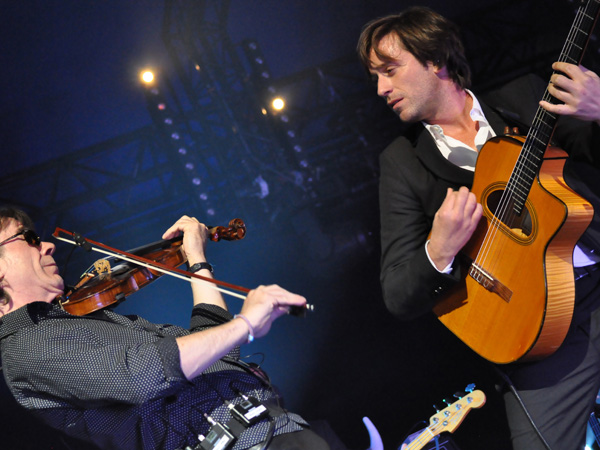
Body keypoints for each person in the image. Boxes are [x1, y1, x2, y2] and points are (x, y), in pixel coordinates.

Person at [357, 6, 600, 450]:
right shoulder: (403, 163)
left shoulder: (527, 98)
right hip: (536, 332)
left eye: (390, 70)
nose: (381, 88)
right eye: (376, 76)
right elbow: (397, 293)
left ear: (434, 59)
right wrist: (439, 250)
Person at [0, 207, 331, 450]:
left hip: (277, 428)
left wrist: (197, 261)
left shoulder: (85, 318)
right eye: (26, 238)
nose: (46, 244)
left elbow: (218, 354)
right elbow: (142, 376)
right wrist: (246, 323)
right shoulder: (25, 347)